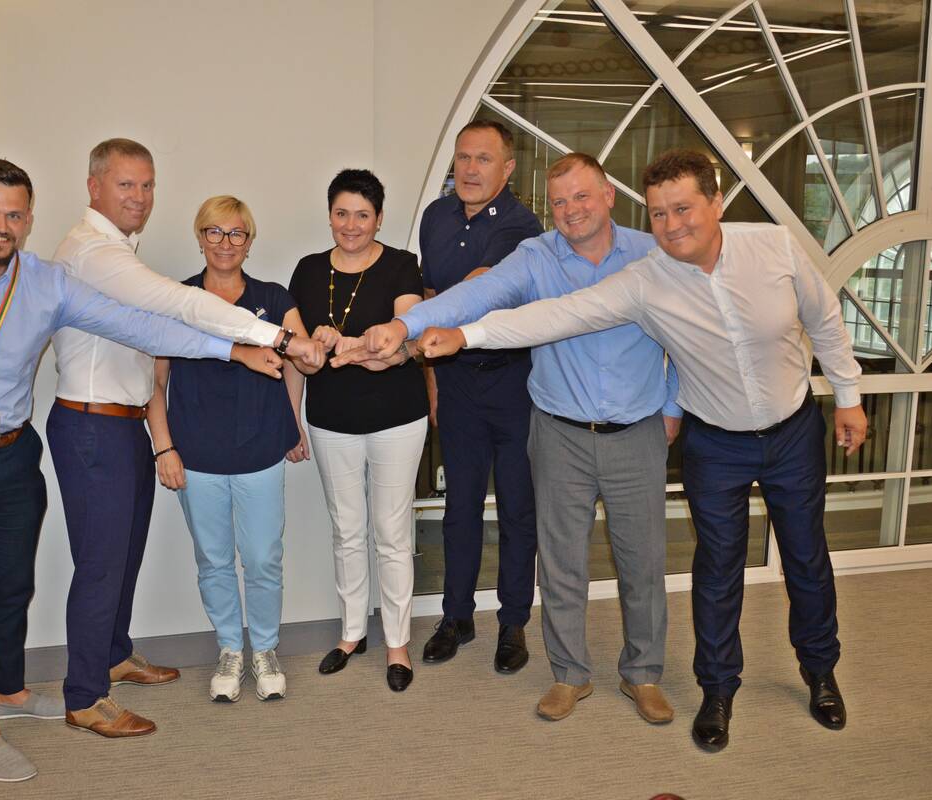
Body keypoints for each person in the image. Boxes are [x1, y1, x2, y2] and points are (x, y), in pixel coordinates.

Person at [0, 158, 286, 782]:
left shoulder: (47, 284)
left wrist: (232, 350)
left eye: (13, 215)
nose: (1, 225)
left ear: (28, 220)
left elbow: (138, 326)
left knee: (12, 586)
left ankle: (7, 689)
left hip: (14, 449)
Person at [413, 150, 866, 752]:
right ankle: (687, 687)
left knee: (786, 561)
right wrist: (456, 333)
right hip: (658, 437)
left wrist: (848, 395)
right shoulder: (632, 272)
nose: (673, 224)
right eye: (660, 213)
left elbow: (821, 319)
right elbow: (555, 316)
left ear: (715, 203)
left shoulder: (755, 249)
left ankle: (799, 672)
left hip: (766, 430)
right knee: (699, 570)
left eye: (683, 209)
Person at [344, 152, 682, 724]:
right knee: (561, 564)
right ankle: (570, 675)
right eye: (560, 201)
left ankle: (643, 674)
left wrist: (672, 406)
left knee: (642, 564)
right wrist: (406, 325)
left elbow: (688, 334)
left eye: (582, 196)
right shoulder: (535, 256)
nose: (571, 210)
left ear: (608, 197)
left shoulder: (653, 255)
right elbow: (473, 297)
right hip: (560, 434)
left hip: (637, 432)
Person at [48, 140, 324, 736]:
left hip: (127, 425)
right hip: (96, 424)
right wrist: (268, 342)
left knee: (127, 557)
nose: (139, 197)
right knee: (103, 565)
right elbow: (178, 312)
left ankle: (115, 656)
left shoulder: (122, 255)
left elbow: (160, 336)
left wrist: (270, 353)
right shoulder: (94, 252)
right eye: (125, 184)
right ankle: (85, 695)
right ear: (94, 186)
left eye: (147, 185)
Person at [146, 195, 318, 703]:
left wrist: (293, 422)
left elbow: (301, 363)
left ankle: (263, 649)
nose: (225, 243)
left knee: (263, 557)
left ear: (249, 241)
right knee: (214, 559)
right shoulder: (177, 299)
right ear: (200, 238)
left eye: (236, 233)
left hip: (259, 449)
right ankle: (229, 649)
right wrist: (163, 447)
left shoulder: (274, 297)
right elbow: (154, 382)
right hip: (195, 454)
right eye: (215, 232)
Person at [287, 169, 428, 692]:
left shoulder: (402, 265)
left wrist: (352, 346)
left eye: (362, 215)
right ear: (329, 215)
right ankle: (351, 634)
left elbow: (405, 337)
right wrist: (292, 418)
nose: (351, 225)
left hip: (398, 418)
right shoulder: (307, 270)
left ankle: (397, 642)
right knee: (346, 530)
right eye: (342, 213)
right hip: (330, 420)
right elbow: (297, 358)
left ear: (379, 218)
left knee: (392, 533)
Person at [415, 119, 543, 673]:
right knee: (458, 507)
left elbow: (481, 288)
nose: (469, 169)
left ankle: (513, 622)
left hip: (513, 383)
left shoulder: (523, 227)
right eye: (463, 157)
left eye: (483, 159)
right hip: (457, 382)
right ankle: (456, 617)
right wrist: (432, 380)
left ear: (507, 168)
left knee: (517, 509)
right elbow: (428, 296)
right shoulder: (436, 217)